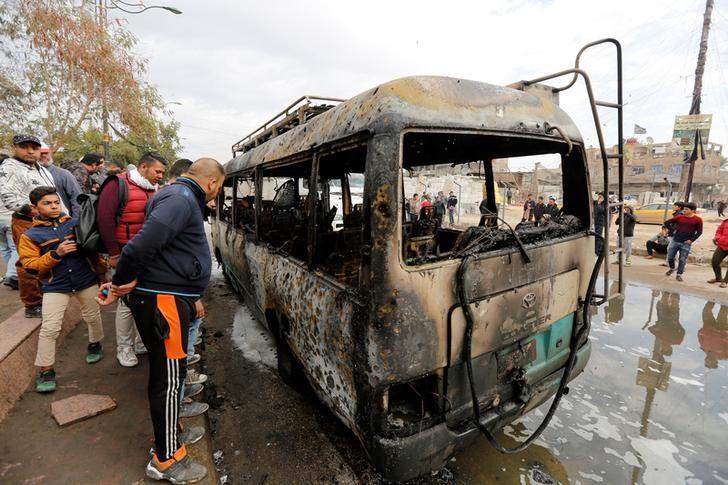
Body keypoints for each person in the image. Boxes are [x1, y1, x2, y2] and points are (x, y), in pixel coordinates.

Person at [97, 158, 225, 483]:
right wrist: (121, 281)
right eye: (220, 187)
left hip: (168, 297)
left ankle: (172, 433)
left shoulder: (176, 197)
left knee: (172, 371)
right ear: (212, 182)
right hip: (163, 300)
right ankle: (166, 458)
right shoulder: (181, 199)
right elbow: (142, 245)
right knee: (168, 380)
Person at [17, 187, 106, 393]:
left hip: (85, 280)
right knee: (50, 328)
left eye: (56, 202)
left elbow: (92, 253)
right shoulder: (30, 235)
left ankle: (95, 344)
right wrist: (56, 254)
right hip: (56, 285)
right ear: (34, 207)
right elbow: (30, 265)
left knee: (93, 316)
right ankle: (46, 370)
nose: (54, 206)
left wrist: (102, 274)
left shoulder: (75, 224)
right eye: (47, 203)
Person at [96, 152, 168, 368]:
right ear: (143, 166)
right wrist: (114, 254)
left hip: (145, 254)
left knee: (144, 299)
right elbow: (105, 219)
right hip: (124, 253)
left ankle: (139, 342)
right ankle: (124, 348)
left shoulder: (151, 188)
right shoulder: (117, 184)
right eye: (158, 171)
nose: (160, 176)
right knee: (126, 302)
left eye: (163, 173)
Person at [0, 134, 66, 317]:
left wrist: (62, 216)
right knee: (28, 263)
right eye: (25, 146)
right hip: (26, 221)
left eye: (34, 147)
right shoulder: (10, 168)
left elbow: (54, 195)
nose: (30, 151)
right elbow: (8, 198)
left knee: (47, 259)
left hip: (47, 220)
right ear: (15, 147)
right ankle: (33, 304)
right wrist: (36, 212)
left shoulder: (41, 169)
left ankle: (45, 297)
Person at [167, 158, 208, 414]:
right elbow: (174, 257)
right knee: (178, 352)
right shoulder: (178, 202)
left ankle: (183, 389)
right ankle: (178, 407)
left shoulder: (179, 200)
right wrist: (193, 296)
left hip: (183, 294)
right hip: (178, 296)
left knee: (185, 347)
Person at [664, 202, 703, 282]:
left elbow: (699, 232)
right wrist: (673, 229)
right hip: (675, 241)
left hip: (686, 243)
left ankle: (679, 274)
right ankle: (672, 268)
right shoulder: (679, 217)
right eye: (684, 209)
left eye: (686, 209)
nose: (684, 210)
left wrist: (691, 240)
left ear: (692, 210)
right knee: (670, 257)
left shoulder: (698, 220)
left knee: (682, 259)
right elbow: (666, 223)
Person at [39, 149, 81, 217]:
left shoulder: (64, 174)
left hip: (63, 222)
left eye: (46, 153)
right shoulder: (27, 175)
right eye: (41, 153)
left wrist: (74, 222)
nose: (43, 156)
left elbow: (77, 199)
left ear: (51, 154)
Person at [708, 217, 728, 288]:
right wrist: (718, 238)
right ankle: (718, 278)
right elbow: (719, 231)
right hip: (722, 245)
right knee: (715, 261)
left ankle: (725, 281)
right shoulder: (725, 221)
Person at [593, 192, 607, 257]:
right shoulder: (595, 202)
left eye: (600, 197)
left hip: (599, 223)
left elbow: (600, 210)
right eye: (598, 196)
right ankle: (595, 250)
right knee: (594, 237)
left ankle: (598, 252)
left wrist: (598, 203)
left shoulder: (605, 204)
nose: (599, 198)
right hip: (594, 222)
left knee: (598, 237)